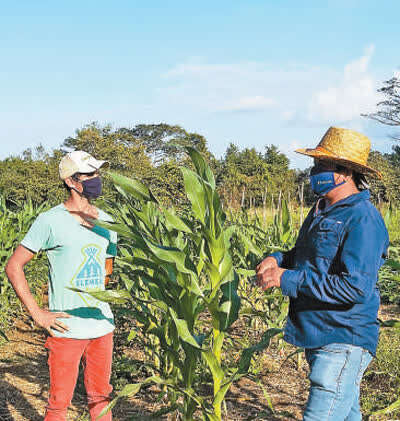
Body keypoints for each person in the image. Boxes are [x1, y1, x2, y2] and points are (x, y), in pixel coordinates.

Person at [256, 127, 389, 421]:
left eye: (321, 166)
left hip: (343, 338)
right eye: (314, 164)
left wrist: (285, 278)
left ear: (345, 172)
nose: (313, 171)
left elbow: (354, 288)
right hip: (319, 333)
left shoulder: (363, 219)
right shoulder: (322, 209)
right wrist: (277, 260)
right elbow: (306, 256)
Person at [6, 150, 117, 421]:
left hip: (102, 327)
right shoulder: (50, 221)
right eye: (89, 174)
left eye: (96, 173)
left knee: (101, 398)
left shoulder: (109, 223)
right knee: (59, 404)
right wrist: (37, 313)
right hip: (66, 329)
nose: (96, 179)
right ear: (71, 181)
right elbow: (13, 266)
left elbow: (107, 273)